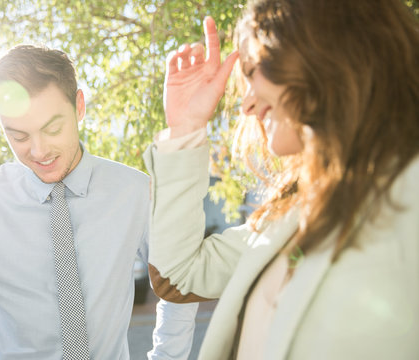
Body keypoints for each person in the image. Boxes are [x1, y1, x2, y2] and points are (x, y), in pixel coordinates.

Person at [0, 44, 199, 359]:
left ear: (79, 106)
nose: (38, 151)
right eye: (18, 136)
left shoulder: (135, 191)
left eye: (53, 128)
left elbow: (178, 283)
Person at [144, 0, 419, 359]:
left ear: (322, 49)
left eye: (253, 70)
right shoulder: (292, 214)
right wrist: (185, 127)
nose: (245, 105)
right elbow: (177, 276)